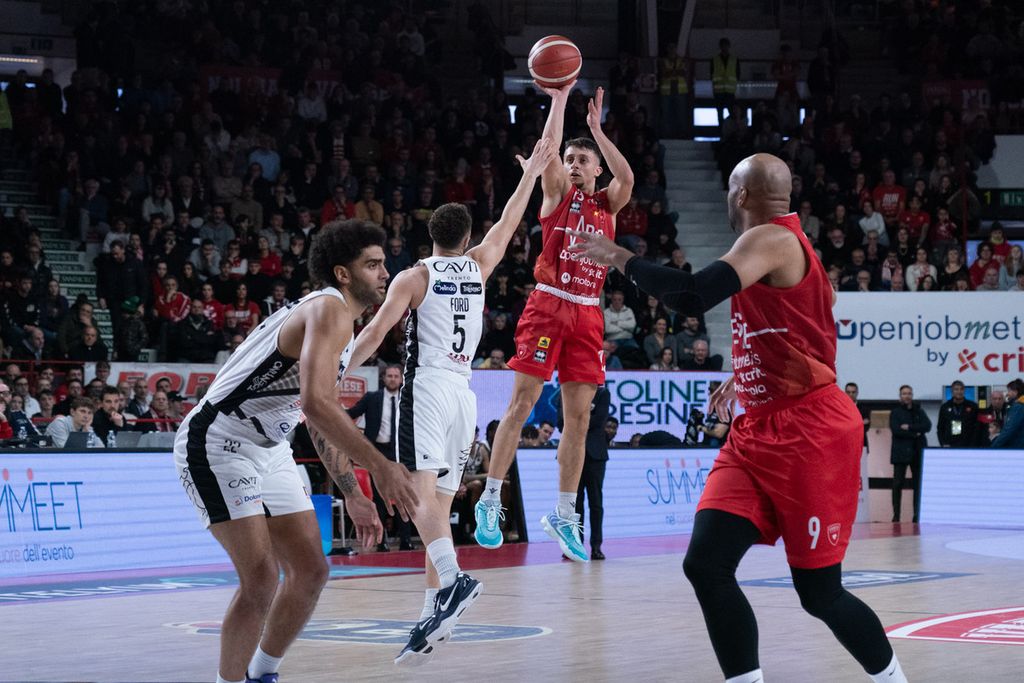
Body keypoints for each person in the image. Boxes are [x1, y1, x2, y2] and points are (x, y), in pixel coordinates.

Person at [568, 153, 907, 682]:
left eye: (730, 189)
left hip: (810, 431)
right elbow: (801, 319)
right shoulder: (777, 245)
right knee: (705, 564)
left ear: (740, 194)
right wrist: (749, 372)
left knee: (820, 594)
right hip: (760, 425)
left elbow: (691, 296)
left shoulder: (771, 239)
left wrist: (616, 255)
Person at [172, 219, 419, 683]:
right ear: (343, 273)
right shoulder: (329, 309)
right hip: (219, 440)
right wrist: (380, 466)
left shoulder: (338, 321)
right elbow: (317, 403)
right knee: (261, 579)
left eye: (384, 263)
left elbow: (316, 416)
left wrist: (352, 492)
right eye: (373, 264)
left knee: (311, 571)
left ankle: (263, 673)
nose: (385, 273)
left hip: (270, 445)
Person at [344, 137, 555, 665]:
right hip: (465, 395)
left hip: (429, 388)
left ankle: (455, 581)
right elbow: (509, 219)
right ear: (466, 237)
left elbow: (375, 332)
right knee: (436, 509)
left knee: (418, 502)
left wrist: (338, 365)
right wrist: (529, 176)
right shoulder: (480, 263)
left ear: (431, 236)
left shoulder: (415, 276)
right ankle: (429, 613)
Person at [473, 83, 633, 563]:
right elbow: (549, 148)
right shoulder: (557, 195)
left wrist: (597, 131)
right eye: (570, 159)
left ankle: (564, 513)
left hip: (588, 311)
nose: (575, 165)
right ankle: (490, 499)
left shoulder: (608, 205)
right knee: (520, 405)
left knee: (579, 420)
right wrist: (560, 101)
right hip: (549, 304)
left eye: (583, 160)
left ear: (597, 169)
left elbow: (627, 176)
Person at [346, 365, 413, 553]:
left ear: (401, 379)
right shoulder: (372, 397)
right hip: (377, 451)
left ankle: (406, 540)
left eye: (396, 376)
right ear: (384, 378)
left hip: (400, 451)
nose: (392, 379)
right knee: (379, 497)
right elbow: (350, 414)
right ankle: (381, 541)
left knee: (403, 496)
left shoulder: (407, 399)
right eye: (389, 376)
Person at [558, 385, 610, 560]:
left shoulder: (602, 393)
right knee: (573, 502)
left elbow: (599, 421)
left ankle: (596, 546)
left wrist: (575, 418)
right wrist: (582, 416)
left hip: (595, 455)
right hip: (571, 453)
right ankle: (574, 544)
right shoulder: (565, 391)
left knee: (596, 503)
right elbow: (560, 422)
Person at [889, 385, 931, 523]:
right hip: (900, 453)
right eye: (904, 393)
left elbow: (927, 426)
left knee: (918, 485)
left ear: (912, 395)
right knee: (897, 484)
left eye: (909, 393)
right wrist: (916, 433)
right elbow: (896, 430)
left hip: (917, 452)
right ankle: (896, 515)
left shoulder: (919, 411)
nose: (907, 396)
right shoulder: (895, 413)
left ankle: (917, 514)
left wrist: (909, 427)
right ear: (900, 396)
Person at [937, 380, 979, 448]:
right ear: (952, 391)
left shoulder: (973, 406)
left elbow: (977, 428)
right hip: (949, 444)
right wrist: (943, 443)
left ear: (964, 391)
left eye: (961, 389)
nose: (959, 392)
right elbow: (940, 427)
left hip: (967, 445)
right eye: (956, 389)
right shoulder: (945, 407)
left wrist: (973, 445)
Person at [991, 379, 1024, 449]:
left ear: (1015, 392)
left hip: (1017, 446)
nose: (1007, 394)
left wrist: (995, 445)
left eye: (1009, 391)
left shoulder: (1018, 407)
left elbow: (1009, 429)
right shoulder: (1017, 405)